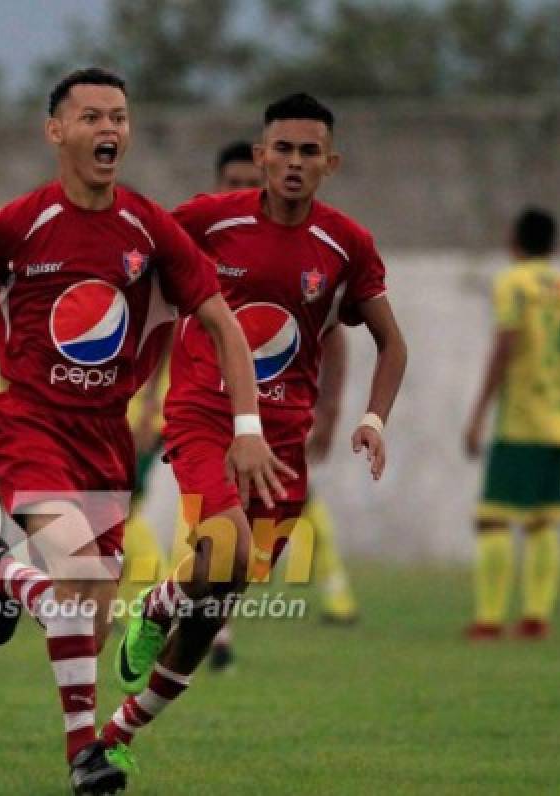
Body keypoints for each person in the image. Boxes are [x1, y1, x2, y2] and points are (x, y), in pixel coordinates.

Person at [0, 67, 290, 795]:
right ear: (56, 131)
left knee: (93, 617)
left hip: (106, 438)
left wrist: (247, 427)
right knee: (79, 573)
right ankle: (84, 757)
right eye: (91, 118)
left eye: (119, 117)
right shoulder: (18, 224)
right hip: (29, 425)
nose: (109, 130)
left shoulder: (150, 229)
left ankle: (1, 573)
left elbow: (223, 325)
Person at [104, 93, 407, 758]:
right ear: (261, 154)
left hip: (282, 440)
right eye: (283, 149)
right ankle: (156, 605)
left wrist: (372, 418)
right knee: (226, 550)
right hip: (203, 415)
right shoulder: (209, 221)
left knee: (214, 609)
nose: (294, 163)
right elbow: (136, 253)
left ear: (331, 162)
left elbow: (391, 342)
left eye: (309, 152)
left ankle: (119, 731)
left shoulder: (345, 243)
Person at [201, 140, 361, 673]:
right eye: (232, 181)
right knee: (215, 517)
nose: (243, 191)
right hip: (211, 407)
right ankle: (213, 628)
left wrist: (332, 411)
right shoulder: (201, 242)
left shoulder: (302, 249)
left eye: (251, 180)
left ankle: (335, 592)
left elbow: (334, 333)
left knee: (285, 516)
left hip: (282, 410)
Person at [463, 207, 560, 640]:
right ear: (554, 246)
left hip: (519, 422)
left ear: (512, 241)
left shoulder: (513, 282)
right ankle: (536, 616)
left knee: (492, 519)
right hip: (556, 423)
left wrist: (478, 414)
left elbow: (505, 345)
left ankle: (489, 620)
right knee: (542, 521)